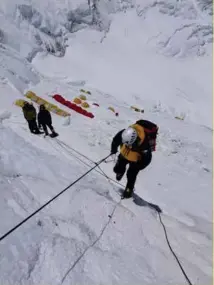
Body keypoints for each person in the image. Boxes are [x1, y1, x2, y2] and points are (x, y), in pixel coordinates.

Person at [111, 120, 158, 198]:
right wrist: (113, 149)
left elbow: (147, 159)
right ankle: (119, 172)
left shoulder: (145, 143)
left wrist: (138, 166)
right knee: (118, 167)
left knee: (131, 174)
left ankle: (129, 189)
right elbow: (116, 140)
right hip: (124, 153)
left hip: (136, 160)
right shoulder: (126, 133)